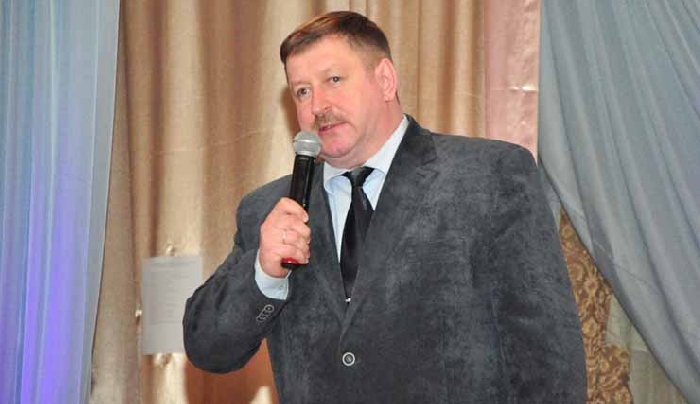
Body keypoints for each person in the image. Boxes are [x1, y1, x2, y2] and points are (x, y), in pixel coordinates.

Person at [183, 10, 586, 403]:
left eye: (333, 80)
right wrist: (263, 274)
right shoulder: (271, 210)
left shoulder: (488, 176)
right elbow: (207, 348)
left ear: (385, 80)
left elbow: (547, 357)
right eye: (302, 91)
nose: (317, 105)